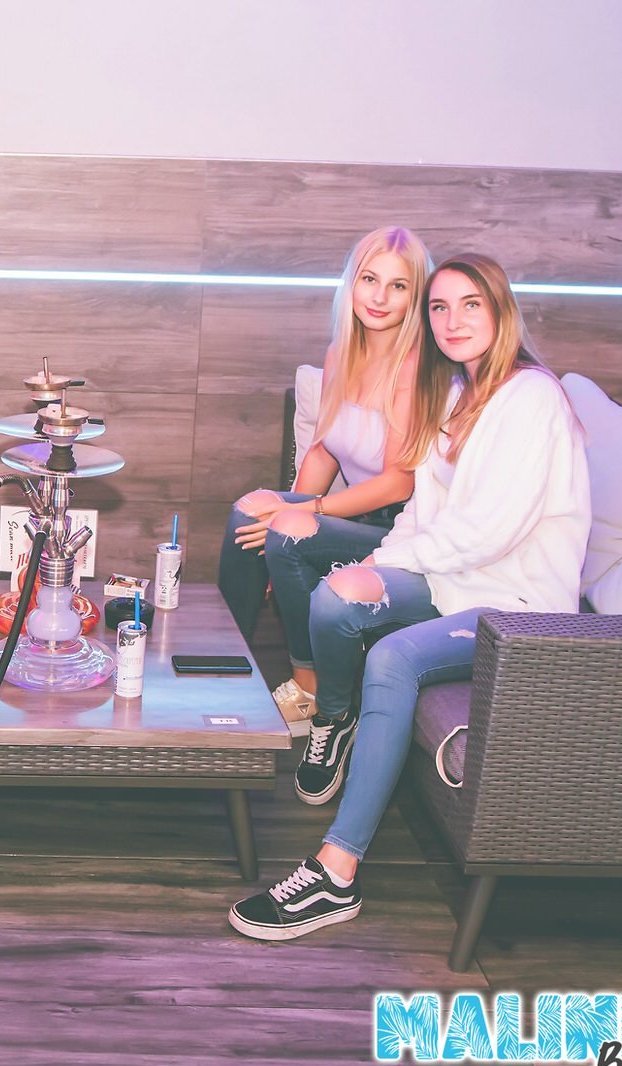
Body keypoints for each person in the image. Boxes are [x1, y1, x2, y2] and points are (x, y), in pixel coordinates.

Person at [228, 253, 590, 940]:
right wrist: (375, 563)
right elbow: (424, 507)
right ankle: (335, 719)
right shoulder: (458, 392)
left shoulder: (531, 398)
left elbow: (488, 531)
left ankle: (337, 872)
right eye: (441, 307)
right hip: (455, 578)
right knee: (336, 598)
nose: (453, 321)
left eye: (471, 305)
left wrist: (393, 564)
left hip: (515, 607)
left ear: (502, 311)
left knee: (392, 657)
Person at [218, 227, 430, 740]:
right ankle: (227, 664)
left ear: (416, 296)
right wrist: (280, 512)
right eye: (369, 279)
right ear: (351, 283)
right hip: (351, 512)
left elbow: (398, 485)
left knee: (288, 528)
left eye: (398, 286)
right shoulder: (342, 353)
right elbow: (323, 449)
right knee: (251, 510)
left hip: (401, 529)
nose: (380, 297)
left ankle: (307, 686)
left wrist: (302, 513)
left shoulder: (415, 368)